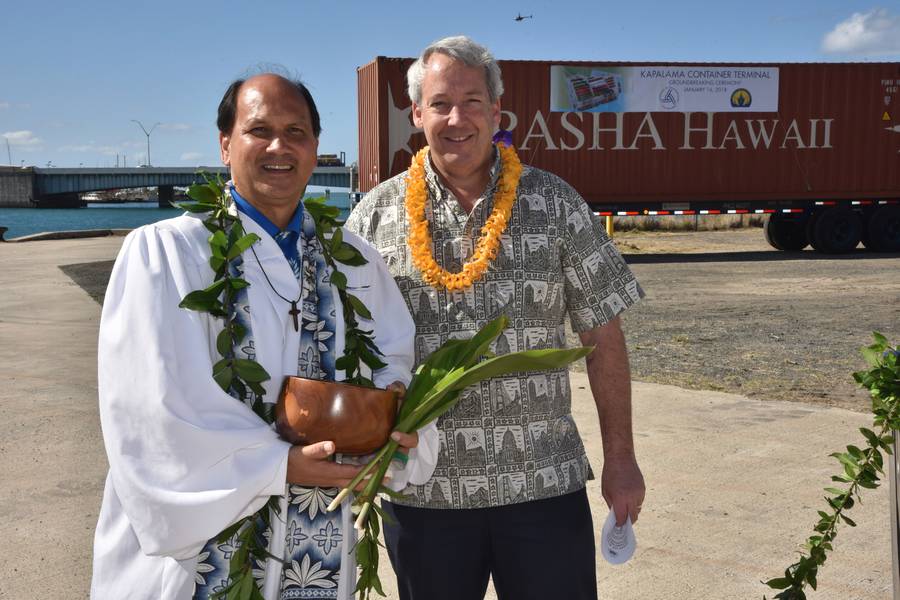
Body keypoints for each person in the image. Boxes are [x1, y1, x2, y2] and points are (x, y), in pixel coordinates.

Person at [91, 73, 438, 600]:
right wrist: (277, 466)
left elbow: (393, 361)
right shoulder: (165, 254)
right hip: (197, 556)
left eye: (296, 131)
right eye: (259, 130)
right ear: (226, 144)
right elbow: (148, 410)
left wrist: (397, 427)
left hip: (319, 537)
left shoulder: (355, 259)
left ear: (316, 147)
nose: (280, 146)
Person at [345, 36, 645, 600]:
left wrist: (621, 460)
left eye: (472, 101)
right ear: (416, 114)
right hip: (425, 496)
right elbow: (348, 348)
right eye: (440, 103)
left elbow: (602, 334)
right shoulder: (372, 217)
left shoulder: (554, 204)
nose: (456, 118)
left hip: (542, 486)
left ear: (497, 113)